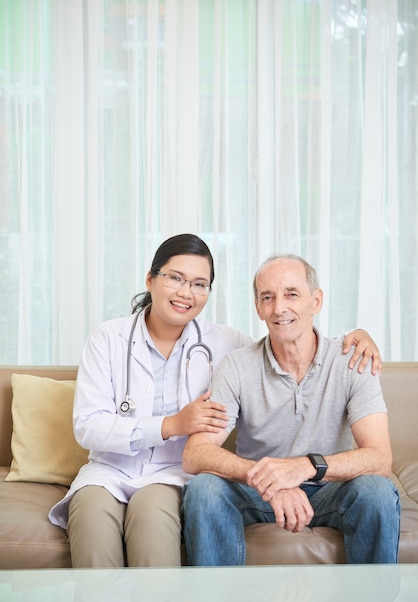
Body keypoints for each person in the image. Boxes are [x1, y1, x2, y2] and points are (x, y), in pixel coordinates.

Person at [48, 236, 382, 567]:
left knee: (151, 522)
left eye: (199, 283)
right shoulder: (108, 338)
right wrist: (172, 425)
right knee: (92, 523)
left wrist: (361, 336)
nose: (185, 292)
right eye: (175, 278)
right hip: (109, 469)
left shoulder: (226, 342)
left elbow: (285, 343)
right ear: (150, 280)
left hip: (167, 475)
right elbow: (89, 425)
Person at [182, 253, 400, 566]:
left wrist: (307, 467)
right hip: (257, 493)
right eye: (267, 297)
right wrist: (270, 482)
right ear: (258, 307)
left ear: (316, 300)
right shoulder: (237, 366)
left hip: (330, 490)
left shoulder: (353, 360)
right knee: (204, 489)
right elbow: (196, 453)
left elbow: (380, 458)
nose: (279, 308)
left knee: (376, 491)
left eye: (292, 294)